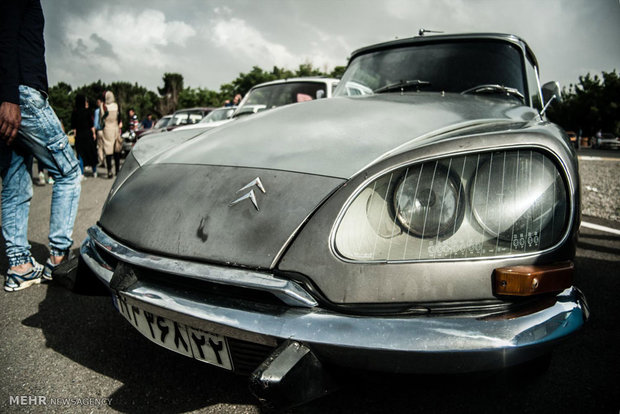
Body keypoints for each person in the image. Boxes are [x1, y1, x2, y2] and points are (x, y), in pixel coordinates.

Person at [0, 0, 81, 291]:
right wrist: (9, 97)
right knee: (69, 172)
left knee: (15, 183)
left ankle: (20, 266)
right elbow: (5, 35)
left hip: (13, 96)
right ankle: (59, 259)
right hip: (20, 95)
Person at [71, 94, 98, 179]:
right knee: (92, 153)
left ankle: (81, 173)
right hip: (88, 134)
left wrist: (75, 136)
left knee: (80, 155)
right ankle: (94, 171)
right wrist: (94, 134)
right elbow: (91, 124)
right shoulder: (88, 111)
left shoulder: (74, 112)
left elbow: (74, 127)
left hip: (79, 135)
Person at [101, 91, 122, 178]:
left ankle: (109, 170)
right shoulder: (116, 105)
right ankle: (117, 170)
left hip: (107, 128)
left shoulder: (103, 106)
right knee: (117, 149)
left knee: (108, 150)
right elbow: (119, 117)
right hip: (116, 128)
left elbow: (101, 118)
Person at [93, 96, 105, 167]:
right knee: (105, 146)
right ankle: (106, 161)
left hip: (100, 130)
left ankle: (102, 160)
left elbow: (95, 122)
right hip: (106, 131)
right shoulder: (106, 110)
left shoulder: (97, 111)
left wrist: (94, 132)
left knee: (100, 147)